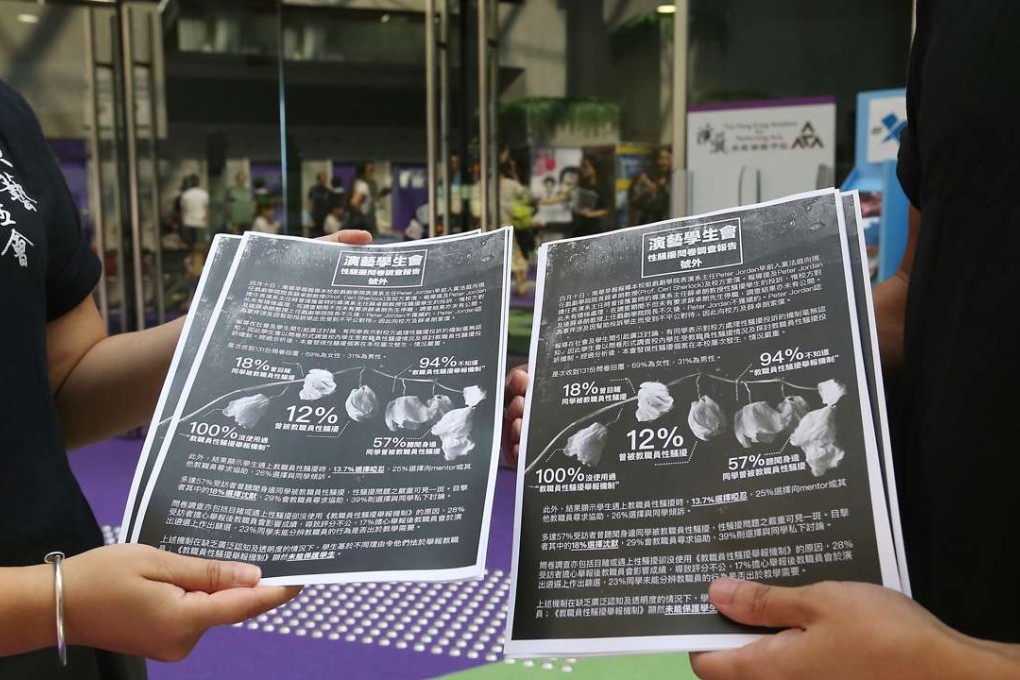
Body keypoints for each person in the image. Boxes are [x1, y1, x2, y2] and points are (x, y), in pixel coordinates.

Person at [501, 2, 1020, 672]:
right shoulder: (955, 20)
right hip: (909, 589)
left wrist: (947, 666)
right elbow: (922, 299)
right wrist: (570, 398)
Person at [0, 78, 373, 676]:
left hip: (71, 607)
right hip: (61, 606)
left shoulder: (6, 116)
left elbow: (59, 385)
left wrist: (243, 321)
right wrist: (53, 603)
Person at [627, 147, 671, 226]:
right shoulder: (644, 178)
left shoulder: (671, 178)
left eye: (667, 159)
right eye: (662, 158)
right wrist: (648, 191)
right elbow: (633, 199)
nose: (665, 162)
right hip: (646, 222)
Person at [350, 162, 378, 235]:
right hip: (363, 221)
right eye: (369, 171)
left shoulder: (358, 183)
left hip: (365, 219)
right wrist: (362, 214)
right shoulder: (362, 184)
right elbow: (354, 202)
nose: (371, 173)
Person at [307, 171, 332, 238]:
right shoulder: (313, 190)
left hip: (324, 217)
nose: (324, 180)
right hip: (315, 216)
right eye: (322, 179)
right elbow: (310, 203)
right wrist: (311, 217)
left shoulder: (327, 191)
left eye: (325, 179)